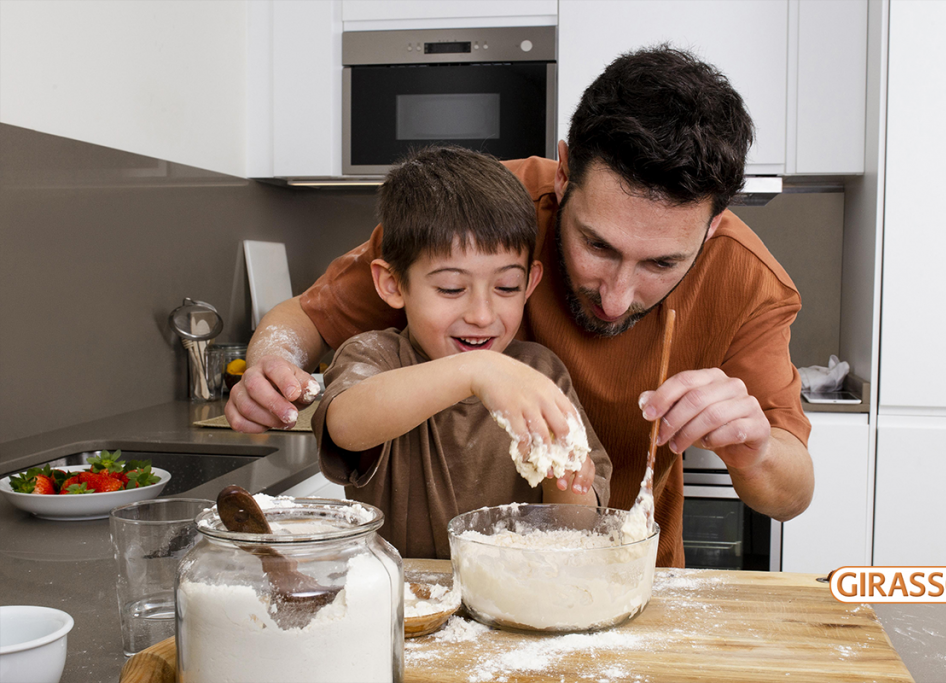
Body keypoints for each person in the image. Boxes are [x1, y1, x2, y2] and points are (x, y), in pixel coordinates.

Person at [226, 46, 815, 567]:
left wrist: (757, 450)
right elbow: (304, 321)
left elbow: (792, 494)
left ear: (712, 227)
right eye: (597, 245)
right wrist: (269, 367)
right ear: (563, 175)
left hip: (628, 573)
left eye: (661, 263)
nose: (616, 298)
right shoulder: (481, 218)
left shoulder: (750, 282)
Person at [311, 146, 612, 559]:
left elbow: (577, 530)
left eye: (506, 287)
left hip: (516, 592)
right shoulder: (375, 357)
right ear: (393, 285)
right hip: (405, 594)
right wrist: (477, 370)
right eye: (452, 288)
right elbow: (345, 425)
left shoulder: (541, 373)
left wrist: (565, 473)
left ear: (529, 283)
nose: (481, 315)